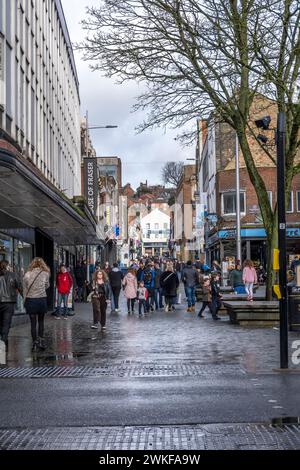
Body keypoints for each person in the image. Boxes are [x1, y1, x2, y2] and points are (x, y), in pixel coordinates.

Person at [23, 257, 50, 351]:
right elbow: (47, 285)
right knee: (41, 321)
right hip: (41, 300)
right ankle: (41, 341)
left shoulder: (27, 274)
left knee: (33, 324)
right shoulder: (45, 273)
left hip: (31, 300)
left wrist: (24, 300)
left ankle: (34, 343)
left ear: (32, 264)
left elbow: (25, 288)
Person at [0, 260, 22, 350]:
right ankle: (4, 341)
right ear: (7, 266)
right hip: (9, 303)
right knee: (6, 323)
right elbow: (20, 287)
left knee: (1, 323)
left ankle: (3, 341)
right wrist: (26, 298)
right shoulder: (13, 275)